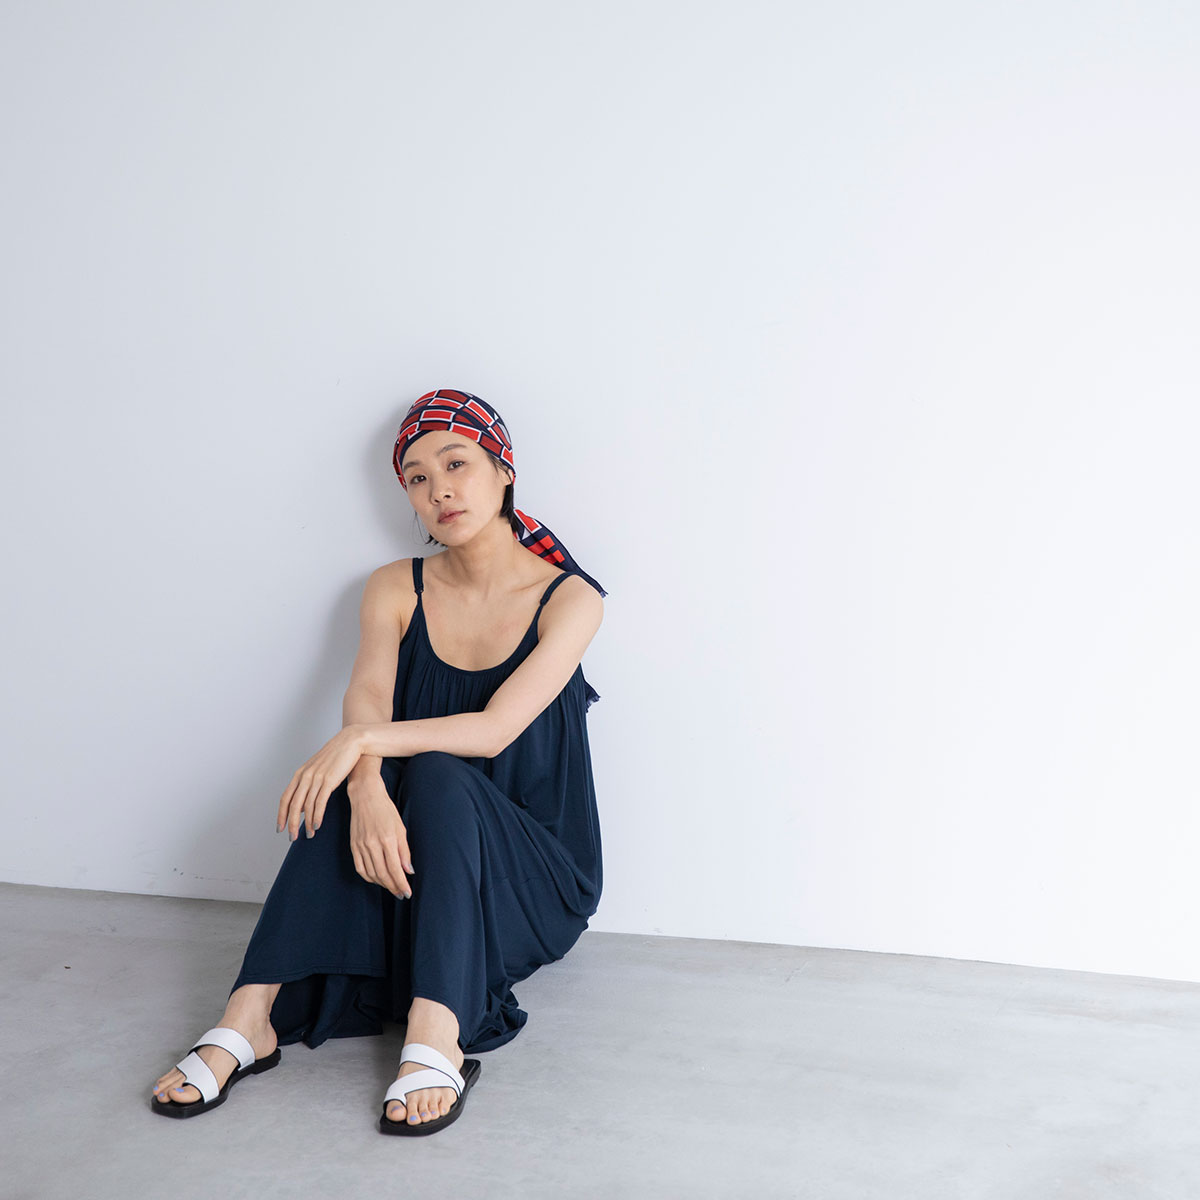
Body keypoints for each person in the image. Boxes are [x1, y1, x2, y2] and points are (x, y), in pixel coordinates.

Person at [150, 388, 606, 1135]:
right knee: (358, 780)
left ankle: (438, 1031)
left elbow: (493, 732)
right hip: (420, 864)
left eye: (456, 464)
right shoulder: (396, 586)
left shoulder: (570, 598)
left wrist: (360, 744)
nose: (440, 491)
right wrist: (363, 785)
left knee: (433, 767)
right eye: (418, 479)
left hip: (532, 879)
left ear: (504, 470)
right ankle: (247, 1017)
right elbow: (367, 701)